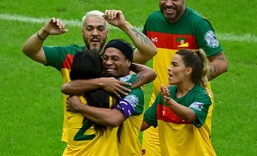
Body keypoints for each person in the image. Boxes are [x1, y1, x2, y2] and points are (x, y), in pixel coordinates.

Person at [22, 10, 157, 145]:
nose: (95, 33)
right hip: (80, 136)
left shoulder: (117, 59)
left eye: (100, 28)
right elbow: (29, 50)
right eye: (89, 29)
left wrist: (124, 24)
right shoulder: (68, 55)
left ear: (107, 32)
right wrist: (44, 32)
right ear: (82, 32)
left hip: (113, 142)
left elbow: (150, 51)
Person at [141, 0, 228, 155]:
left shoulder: (198, 23)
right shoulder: (152, 21)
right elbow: (141, 55)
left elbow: (221, 62)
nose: (168, 4)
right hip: (160, 100)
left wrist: (193, 80)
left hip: (191, 101)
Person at [63, 39, 157, 156]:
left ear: (128, 62)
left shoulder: (129, 90)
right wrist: (103, 82)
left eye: (115, 58)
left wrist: (79, 106)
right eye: (105, 58)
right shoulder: (103, 86)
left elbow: (114, 118)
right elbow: (66, 87)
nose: (108, 62)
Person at [141, 49, 216, 156]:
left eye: (174, 65)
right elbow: (142, 124)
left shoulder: (202, 96)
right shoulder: (166, 95)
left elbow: (191, 115)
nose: (169, 68)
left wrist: (170, 103)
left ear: (188, 71)